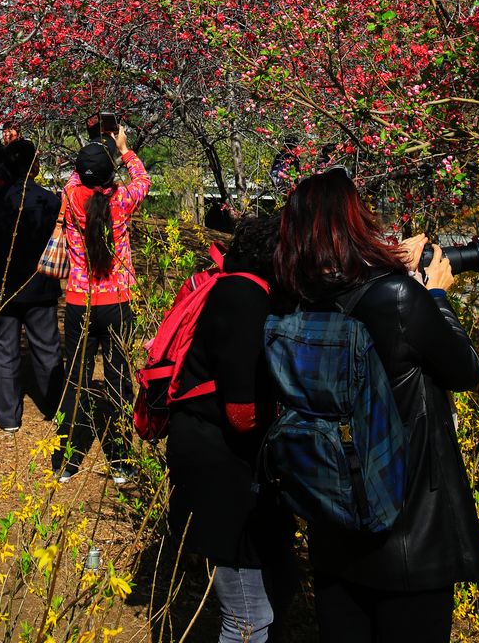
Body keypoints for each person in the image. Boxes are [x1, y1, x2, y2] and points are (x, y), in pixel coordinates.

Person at [272, 168, 479, 643]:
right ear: (353, 223)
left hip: (334, 528)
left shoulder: (296, 305)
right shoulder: (395, 299)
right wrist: (434, 293)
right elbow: (466, 371)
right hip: (410, 537)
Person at [166, 216, 291, 643]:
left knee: (260, 601)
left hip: (212, 452)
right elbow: (242, 413)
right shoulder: (243, 298)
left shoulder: (234, 285)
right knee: (247, 615)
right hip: (219, 464)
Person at [52, 126, 150, 483]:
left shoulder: (70, 196)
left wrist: (94, 151)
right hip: (118, 302)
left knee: (75, 380)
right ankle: (120, 461)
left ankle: (65, 460)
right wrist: (122, 148)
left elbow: (80, 174)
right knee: (119, 380)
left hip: (81, 302)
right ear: (111, 175)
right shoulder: (122, 201)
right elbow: (142, 178)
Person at [0, 138, 64, 431]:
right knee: (47, 348)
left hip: (6, 286)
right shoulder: (50, 200)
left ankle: (7, 417)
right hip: (40, 285)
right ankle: (55, 405)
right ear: (35, 165)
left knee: (5, 349)